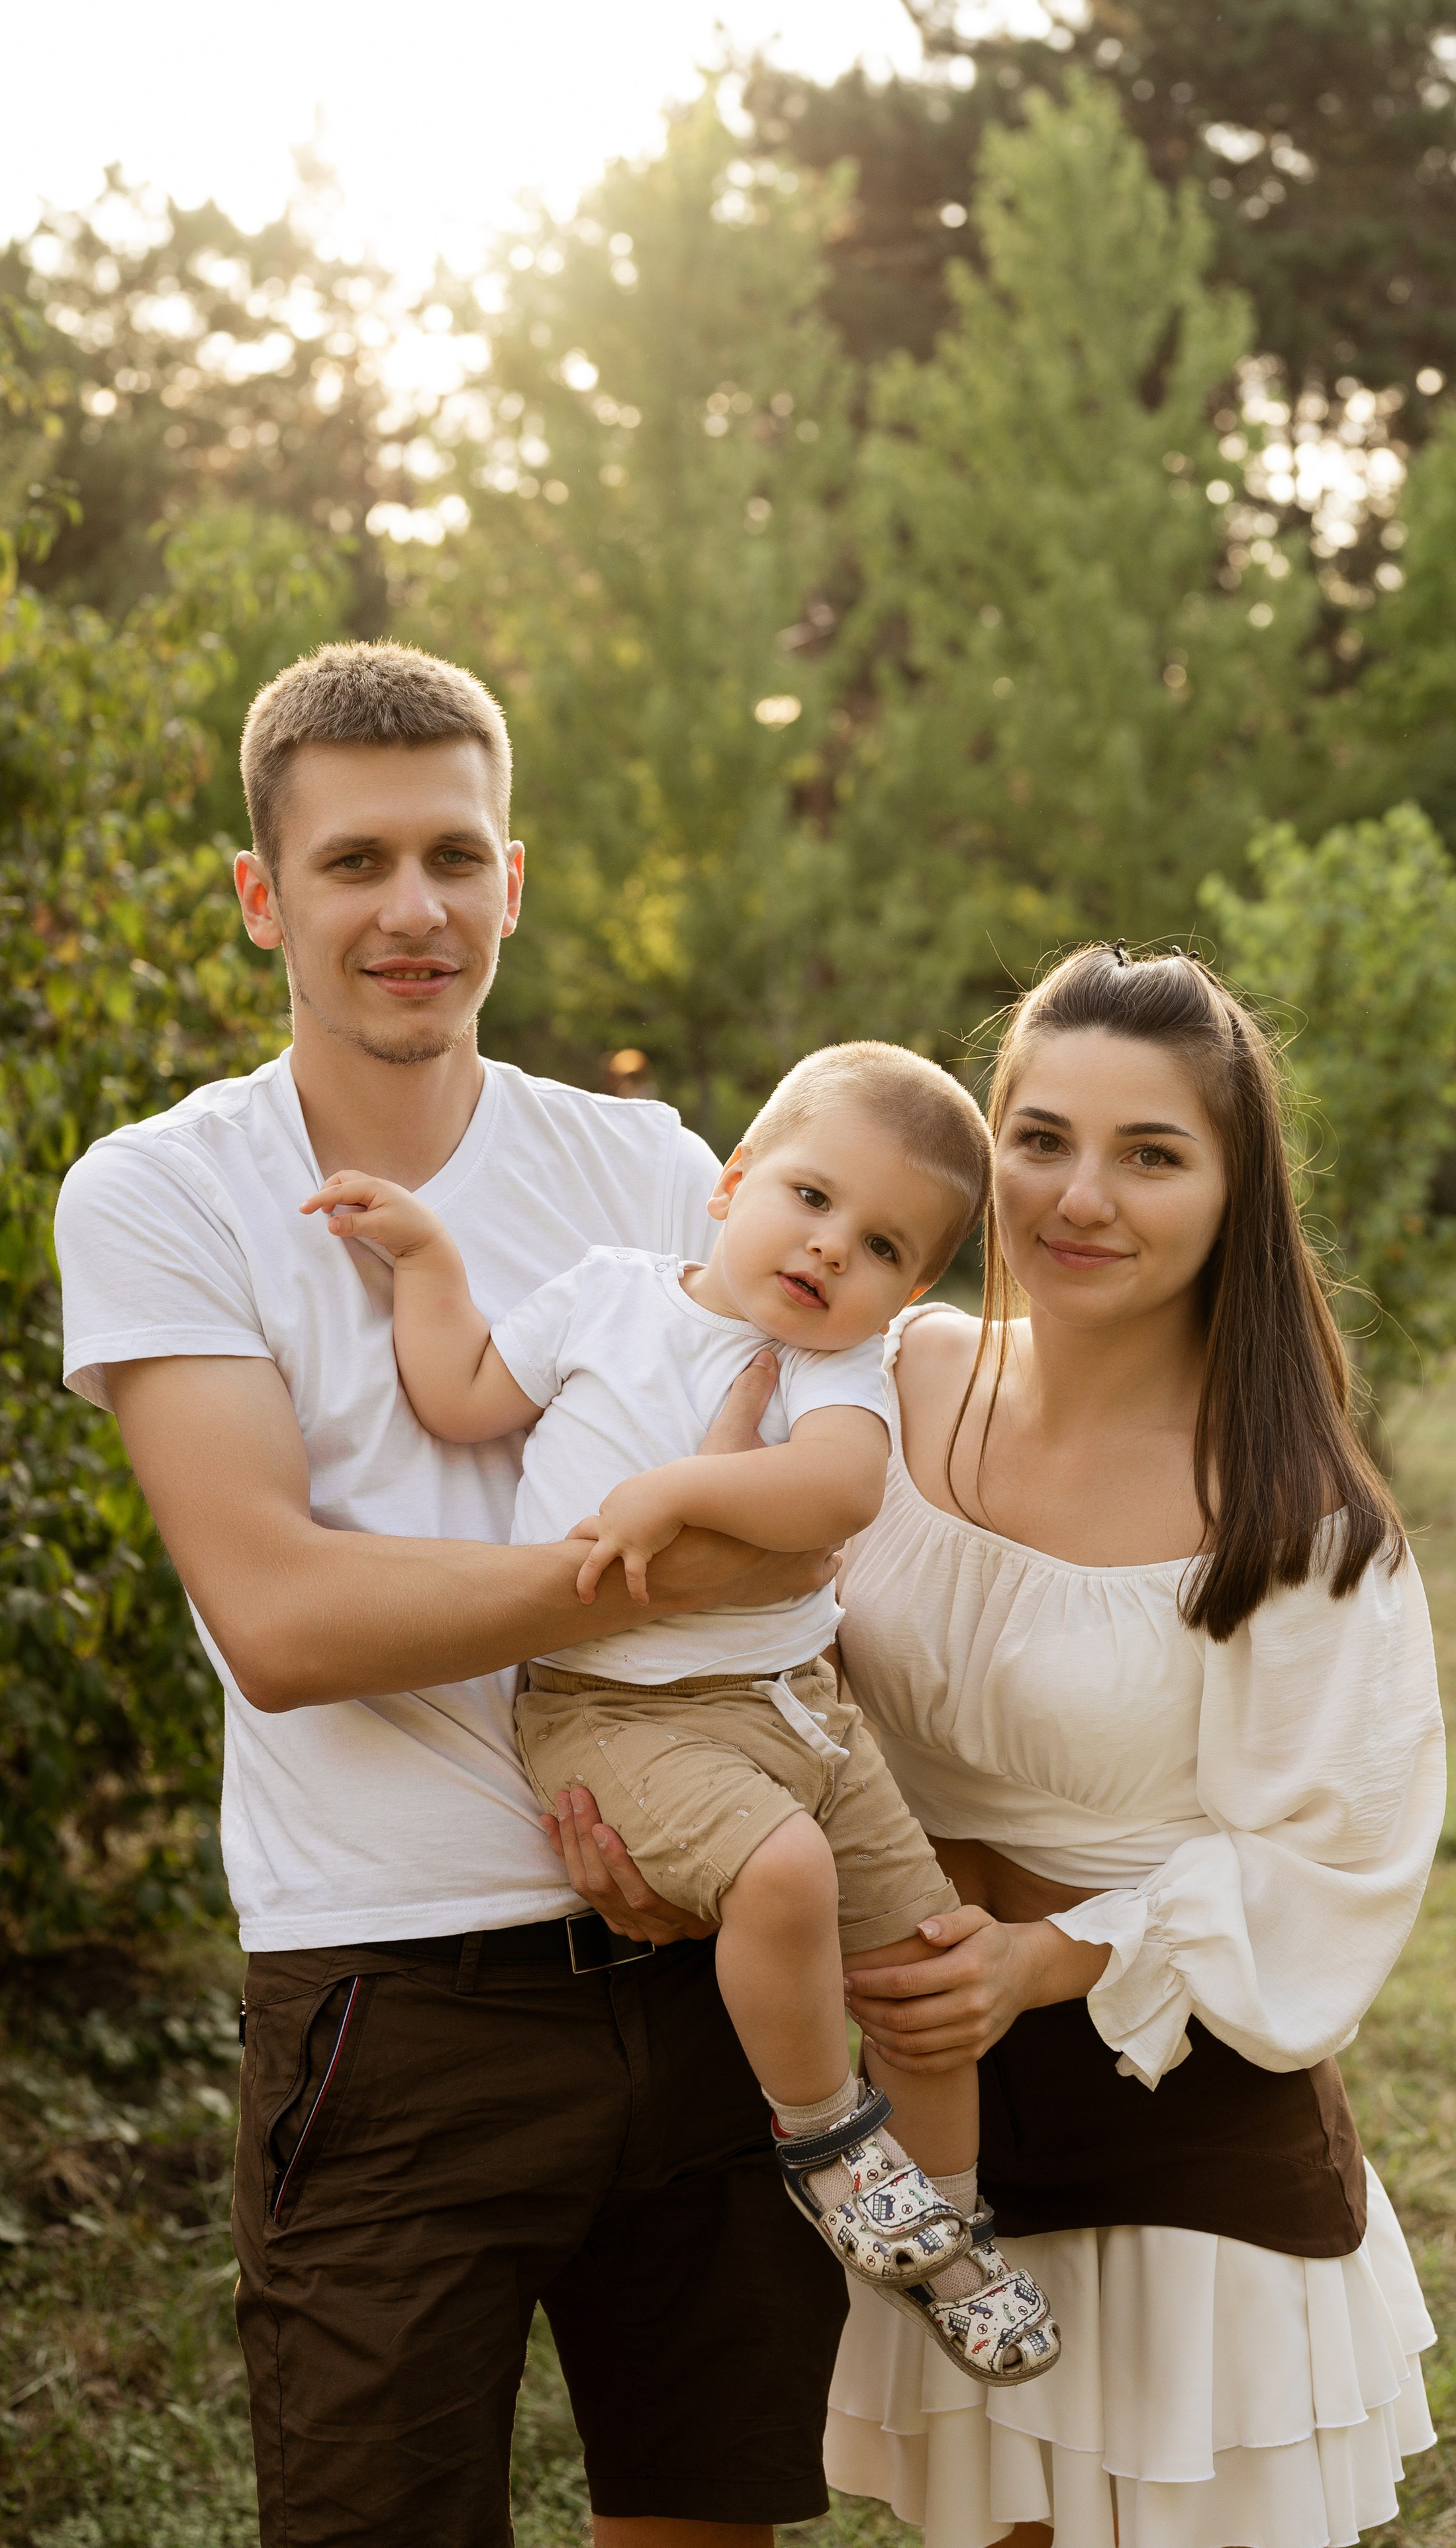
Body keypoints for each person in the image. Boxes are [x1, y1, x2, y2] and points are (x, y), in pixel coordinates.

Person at [54, 639, 855, 2548]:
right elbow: (283, 1623)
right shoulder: (164, 1192)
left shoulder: (652, 1168)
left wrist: (703, 1633)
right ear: (263, 896)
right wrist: (662, 1570)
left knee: (706, 2523)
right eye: (353, 862)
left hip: (700, 1964)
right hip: (391, 2000)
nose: (410, 909)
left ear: (514, 879)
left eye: (451, 856)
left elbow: (820, 1524)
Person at [297, 1041, 1060, 2383]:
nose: (830, 1248)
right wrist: (427, 1263)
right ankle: (825, 2143)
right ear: (732, 1181)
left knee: (923, 1966)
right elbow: (460, 1394)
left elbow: (836, 1490)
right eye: (810, 1197)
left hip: (799, 1705)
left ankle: (943, 2229)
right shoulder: (607, 1295)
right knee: (785, 1873)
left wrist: (679, 1491)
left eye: (881, 1245)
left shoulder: (831, 1367)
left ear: (907, 1294)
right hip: (617, 1710)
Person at [808, 944, 1447, 2548]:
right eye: (1039, 1138)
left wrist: (1038, 1959)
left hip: (1166, 2118)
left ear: (1234, 1193)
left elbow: (1328, 1862)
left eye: (1149, 1154)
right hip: (916, 2107)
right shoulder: (887, 1377)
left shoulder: (1289, 1513)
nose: (1077, 1197)